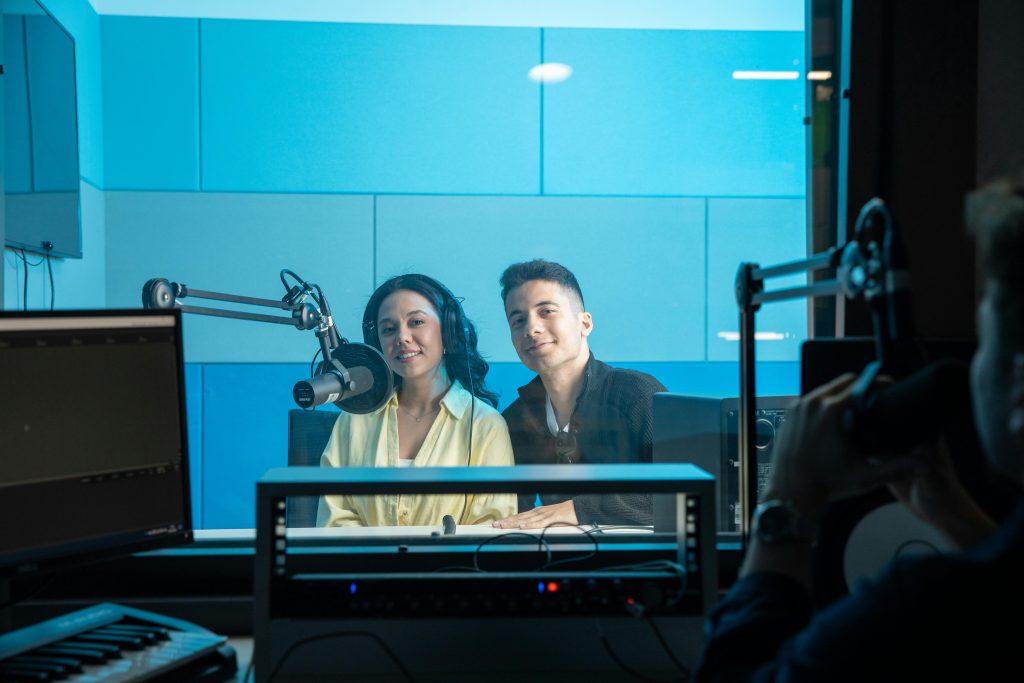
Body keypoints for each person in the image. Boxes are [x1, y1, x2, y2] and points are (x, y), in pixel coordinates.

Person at [696, 176, 1024, 680]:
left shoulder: (921, 610)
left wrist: (785, 504)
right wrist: (955, 515)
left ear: (1019, 384)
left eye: (986, 343)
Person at [317, 274, 517, 527]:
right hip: (361, 556)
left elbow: (490, 527)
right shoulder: (355, 419)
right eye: (388, 329)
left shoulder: (485, 425)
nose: (402, 337)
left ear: (448, 332)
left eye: (416, 322)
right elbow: (334, 519)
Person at [492, 259, 667, 529]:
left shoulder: (637, 394)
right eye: (518, 320)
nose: (531, 328)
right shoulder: (516, 418)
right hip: (556, 554)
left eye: (546, 311)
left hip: (639, 555)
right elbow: (513, 515)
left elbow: (687, 493)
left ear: (584, 324)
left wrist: (579, 509)